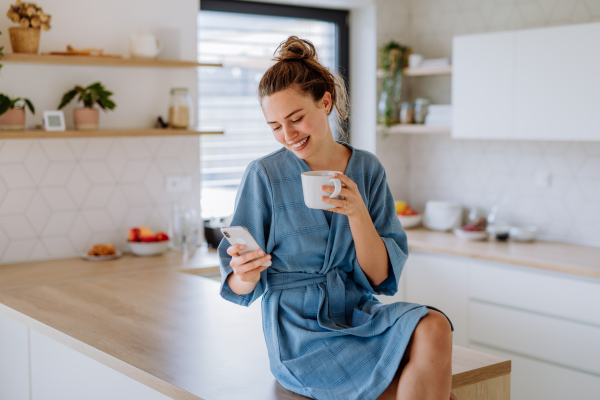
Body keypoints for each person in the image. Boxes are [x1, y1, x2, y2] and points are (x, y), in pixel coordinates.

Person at [218, 36, 455, 400]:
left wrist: (357, 212)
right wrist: (244, 274)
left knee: (435, 326)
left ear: (325, 102)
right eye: (276, 126)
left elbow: (378, 278)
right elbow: (237, 286)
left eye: (296, 119)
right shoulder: (264, 175)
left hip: (358, 315)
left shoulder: (368, 169)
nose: (288, 135)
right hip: (299, 334)